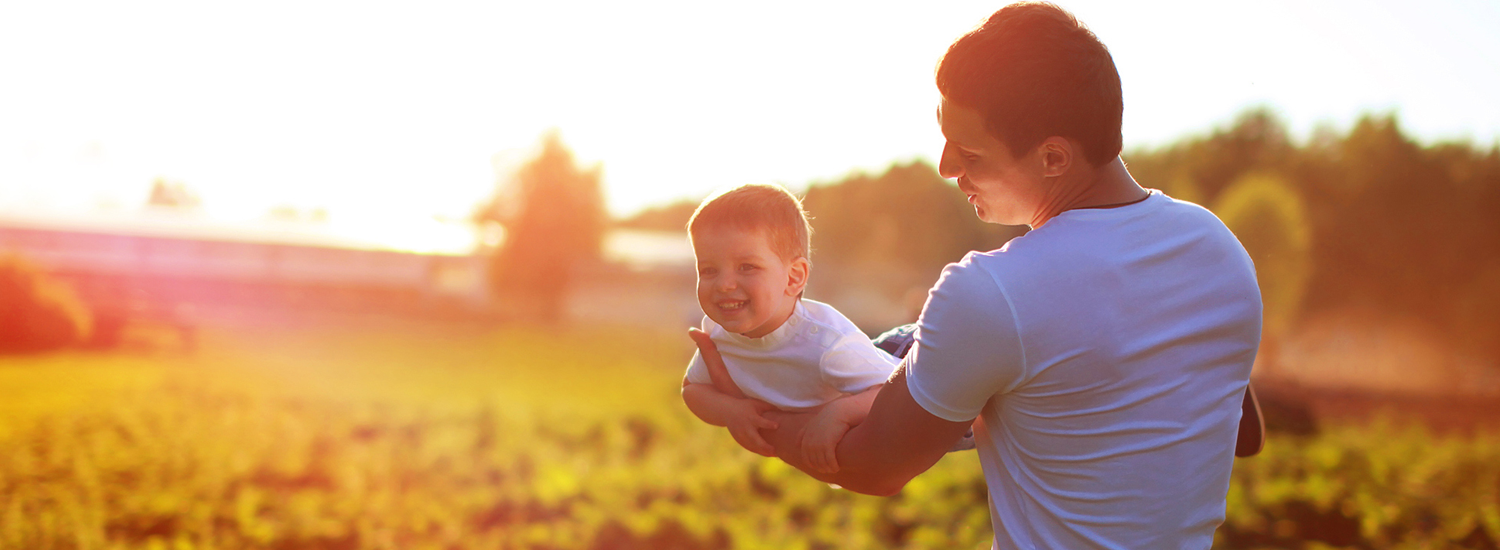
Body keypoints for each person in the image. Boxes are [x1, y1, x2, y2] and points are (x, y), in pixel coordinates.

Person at [689, 3, 1263, 548]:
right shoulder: (1219, 251)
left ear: (1054, 158)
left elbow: (871, 465)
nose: (945, 167)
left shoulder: (992, 291)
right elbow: (1228, 421)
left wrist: (755, 410)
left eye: (969, 151)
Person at [678, 183, 903, 475]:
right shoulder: (719, 336)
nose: (724, 284)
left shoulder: (827, 344)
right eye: (709, 270)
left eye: (746, 267)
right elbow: (693, 390)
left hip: (915, 373)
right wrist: (731, 411)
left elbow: (899, 393)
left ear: (793, 277)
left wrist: (838, 413)